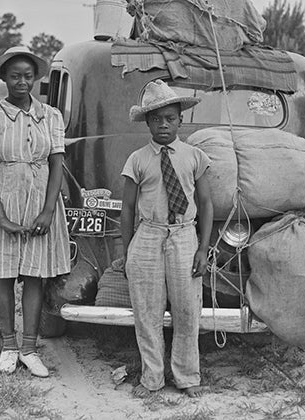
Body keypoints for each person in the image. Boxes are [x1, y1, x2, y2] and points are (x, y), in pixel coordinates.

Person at [0, 46, 71, 377]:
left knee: (34, 274)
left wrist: (47, 210)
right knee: (4, 274)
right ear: (3, 77)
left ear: (36, 79)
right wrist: (1, 217)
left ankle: (29, 348)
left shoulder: (51, 116)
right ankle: (9, 345)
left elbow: (57, 163)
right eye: (15, 76)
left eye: (28, 76)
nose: (21, 82)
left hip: (40, 202)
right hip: (6, 198)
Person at [120, 80, 213, 398]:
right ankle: (152, 377)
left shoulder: (195, 157)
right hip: (147, 236)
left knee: (188, 310)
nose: (163, 124)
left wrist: (203, 248)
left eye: (170, 118)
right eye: (156, 118)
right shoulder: (138, 159)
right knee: (147, 312)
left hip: (184, 237)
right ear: (147, 122)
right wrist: (127, 251)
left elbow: (207, 204)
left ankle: (187, 376)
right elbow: (128, 208)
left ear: (180, 120)